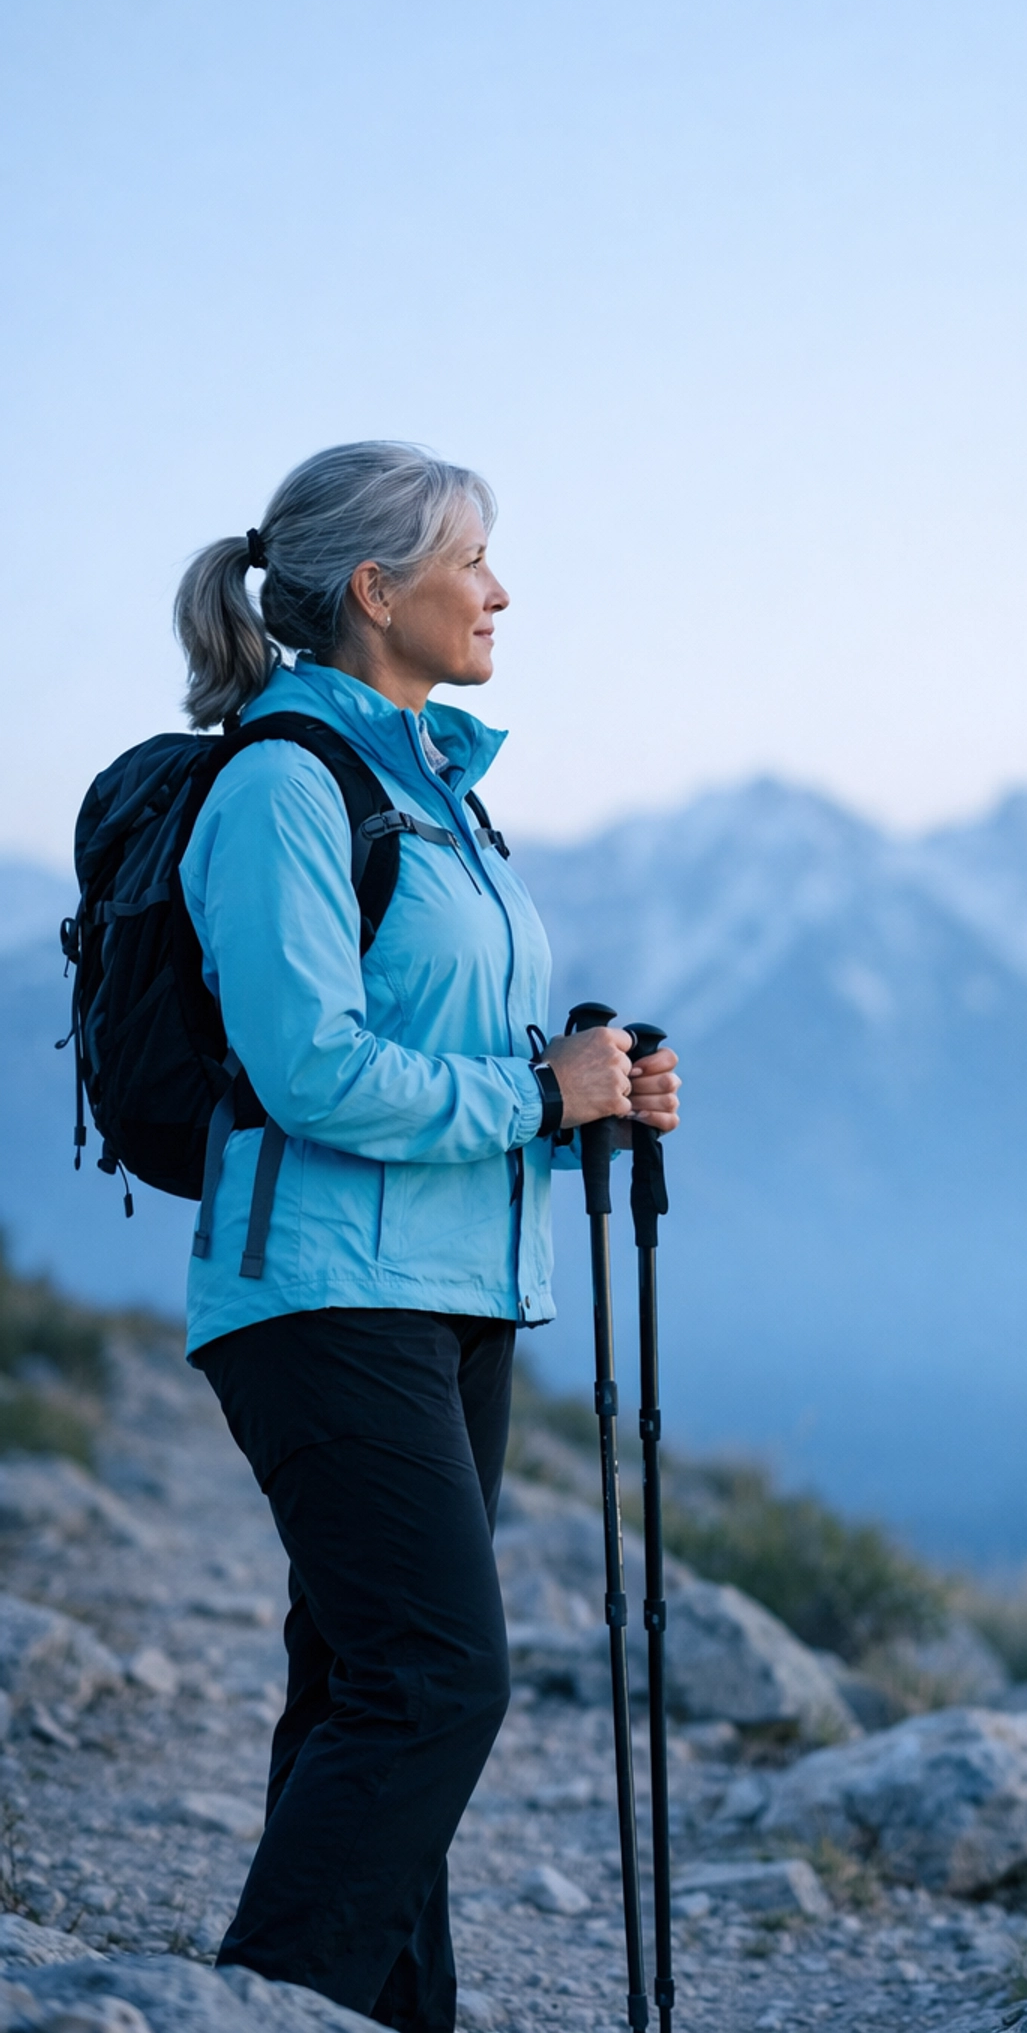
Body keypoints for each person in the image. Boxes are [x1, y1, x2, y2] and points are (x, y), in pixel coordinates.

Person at [171, 440, 680, 2033]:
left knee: (362, 1687)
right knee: (437, 1681)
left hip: (451, 1290)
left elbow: (457, 1052)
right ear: (377, 590)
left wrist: (592, 1097)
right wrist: (538, 1094)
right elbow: (308, 1063)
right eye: (474, 559)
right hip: (324, 1296)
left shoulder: (432, 785)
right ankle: (264, 2013)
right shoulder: (280, 784)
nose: (502, 590)